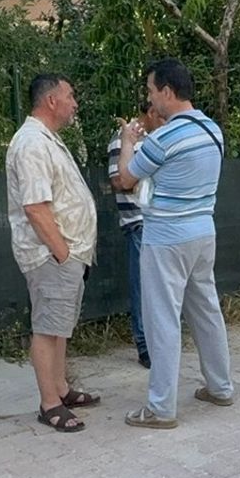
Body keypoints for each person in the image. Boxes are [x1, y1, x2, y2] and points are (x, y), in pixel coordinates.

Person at [115, 59, 235, 430]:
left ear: (167, 91)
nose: (150, 100)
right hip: (203, 232)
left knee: (162, 320)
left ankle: (161, 407)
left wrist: (127, 143)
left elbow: (125, 179)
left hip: (166, 238)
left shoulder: (166, 137)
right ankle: (220, 386)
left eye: (152, 92)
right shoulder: (212, 129)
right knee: (206, 311)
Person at [5, 74, 100, 432]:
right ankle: (49, 404)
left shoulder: (46, 140)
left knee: (59, 326)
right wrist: (61, 253)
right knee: (47, 328)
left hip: (65, 253)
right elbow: (35, 208)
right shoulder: (31, 143)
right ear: (51, 101)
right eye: (70, 95)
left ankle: (60, 388)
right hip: (50, 255)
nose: (74, 103)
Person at [108, 102, 163, 368]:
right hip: (138, 222)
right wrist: (147, 180)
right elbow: (119, 181)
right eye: (162, 118)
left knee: (158, 287)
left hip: (159, 222)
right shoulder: (123, 139)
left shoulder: (153, 139)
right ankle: (144, 346)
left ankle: (158, 342)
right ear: (151, 113)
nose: (164, 123)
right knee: (142, 287)